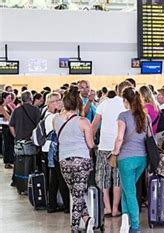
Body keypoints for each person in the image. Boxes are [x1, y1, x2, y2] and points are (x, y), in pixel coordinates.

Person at [53, 86, 95, 233]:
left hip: (63, 161)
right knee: (78, 196)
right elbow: (90, 144)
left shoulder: (56, 120)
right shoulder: (83, 121)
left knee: (76, 194)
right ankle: (74, 228)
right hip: (81, 161)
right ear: (79, 104)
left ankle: (87, 219)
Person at [110, 87, 150, 233]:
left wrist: (114, 152)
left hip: (126, 159)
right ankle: (125, 221)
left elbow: (120, 137)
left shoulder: (123, 115)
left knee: (130, 192)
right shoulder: (145, 116)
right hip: (142, 158)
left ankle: (135, 226)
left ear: (125, 100)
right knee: (128, 189)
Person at [91, 81, 131, 218]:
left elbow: (94, 125)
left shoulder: (103, 104)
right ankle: (115, 209)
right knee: (118, 178)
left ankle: (107, 208)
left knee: (103, 178)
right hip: (120, 146)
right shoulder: (125, 105)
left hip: (104, 146)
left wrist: (90, 142)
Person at [42, 92, 70, 213]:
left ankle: (52, 204)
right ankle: (66, 205)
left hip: (50, 150)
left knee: (54, 179)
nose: (59, 102)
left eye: (60, 100)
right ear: (50, 103)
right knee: (60, 178)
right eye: (56, 100)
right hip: (53, 151)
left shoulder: (48, 114)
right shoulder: (53, 117)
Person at [9, 91, 41, 171]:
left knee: (19, 161)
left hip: (19, 141)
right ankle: (31, 178)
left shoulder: (16, 110)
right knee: (32, 161)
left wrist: (15, 136)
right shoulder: (36, 110)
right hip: (31, 141)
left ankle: (19, 179)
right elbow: (39, 126)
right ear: (31, 99)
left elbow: (11, 125)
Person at [0, 92, 16, 169]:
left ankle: (10, 160)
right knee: (7, 145)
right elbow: (9, 118)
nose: (10, 100)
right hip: (6, 128)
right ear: (4, 99)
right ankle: (7, 161)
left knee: (10, 144)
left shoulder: (8, 106)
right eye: (8, 98)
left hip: (9, 127)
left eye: (11, 98)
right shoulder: (1, 107)